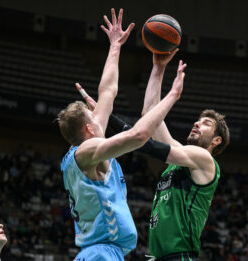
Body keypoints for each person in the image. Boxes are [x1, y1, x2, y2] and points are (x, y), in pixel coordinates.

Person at [56, 8, 187, 260]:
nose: (99, 113)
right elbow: (139, 136)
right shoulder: (86, 152)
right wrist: (172, 95)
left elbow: (107, 91)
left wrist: (115, 46)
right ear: (88, 127)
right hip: (99, 253)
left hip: (107, 251)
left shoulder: (91, 140)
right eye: (93, 116)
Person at [141, 51, 230, 260]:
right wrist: (158, 68)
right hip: (157, 256)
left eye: (206, 124)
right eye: (197, 120)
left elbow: (151, 145)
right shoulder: (181, 158)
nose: (197, 123)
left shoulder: (205, 160)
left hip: (179, 256)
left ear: (217, 141)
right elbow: (149, 115)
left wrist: (113, 124)